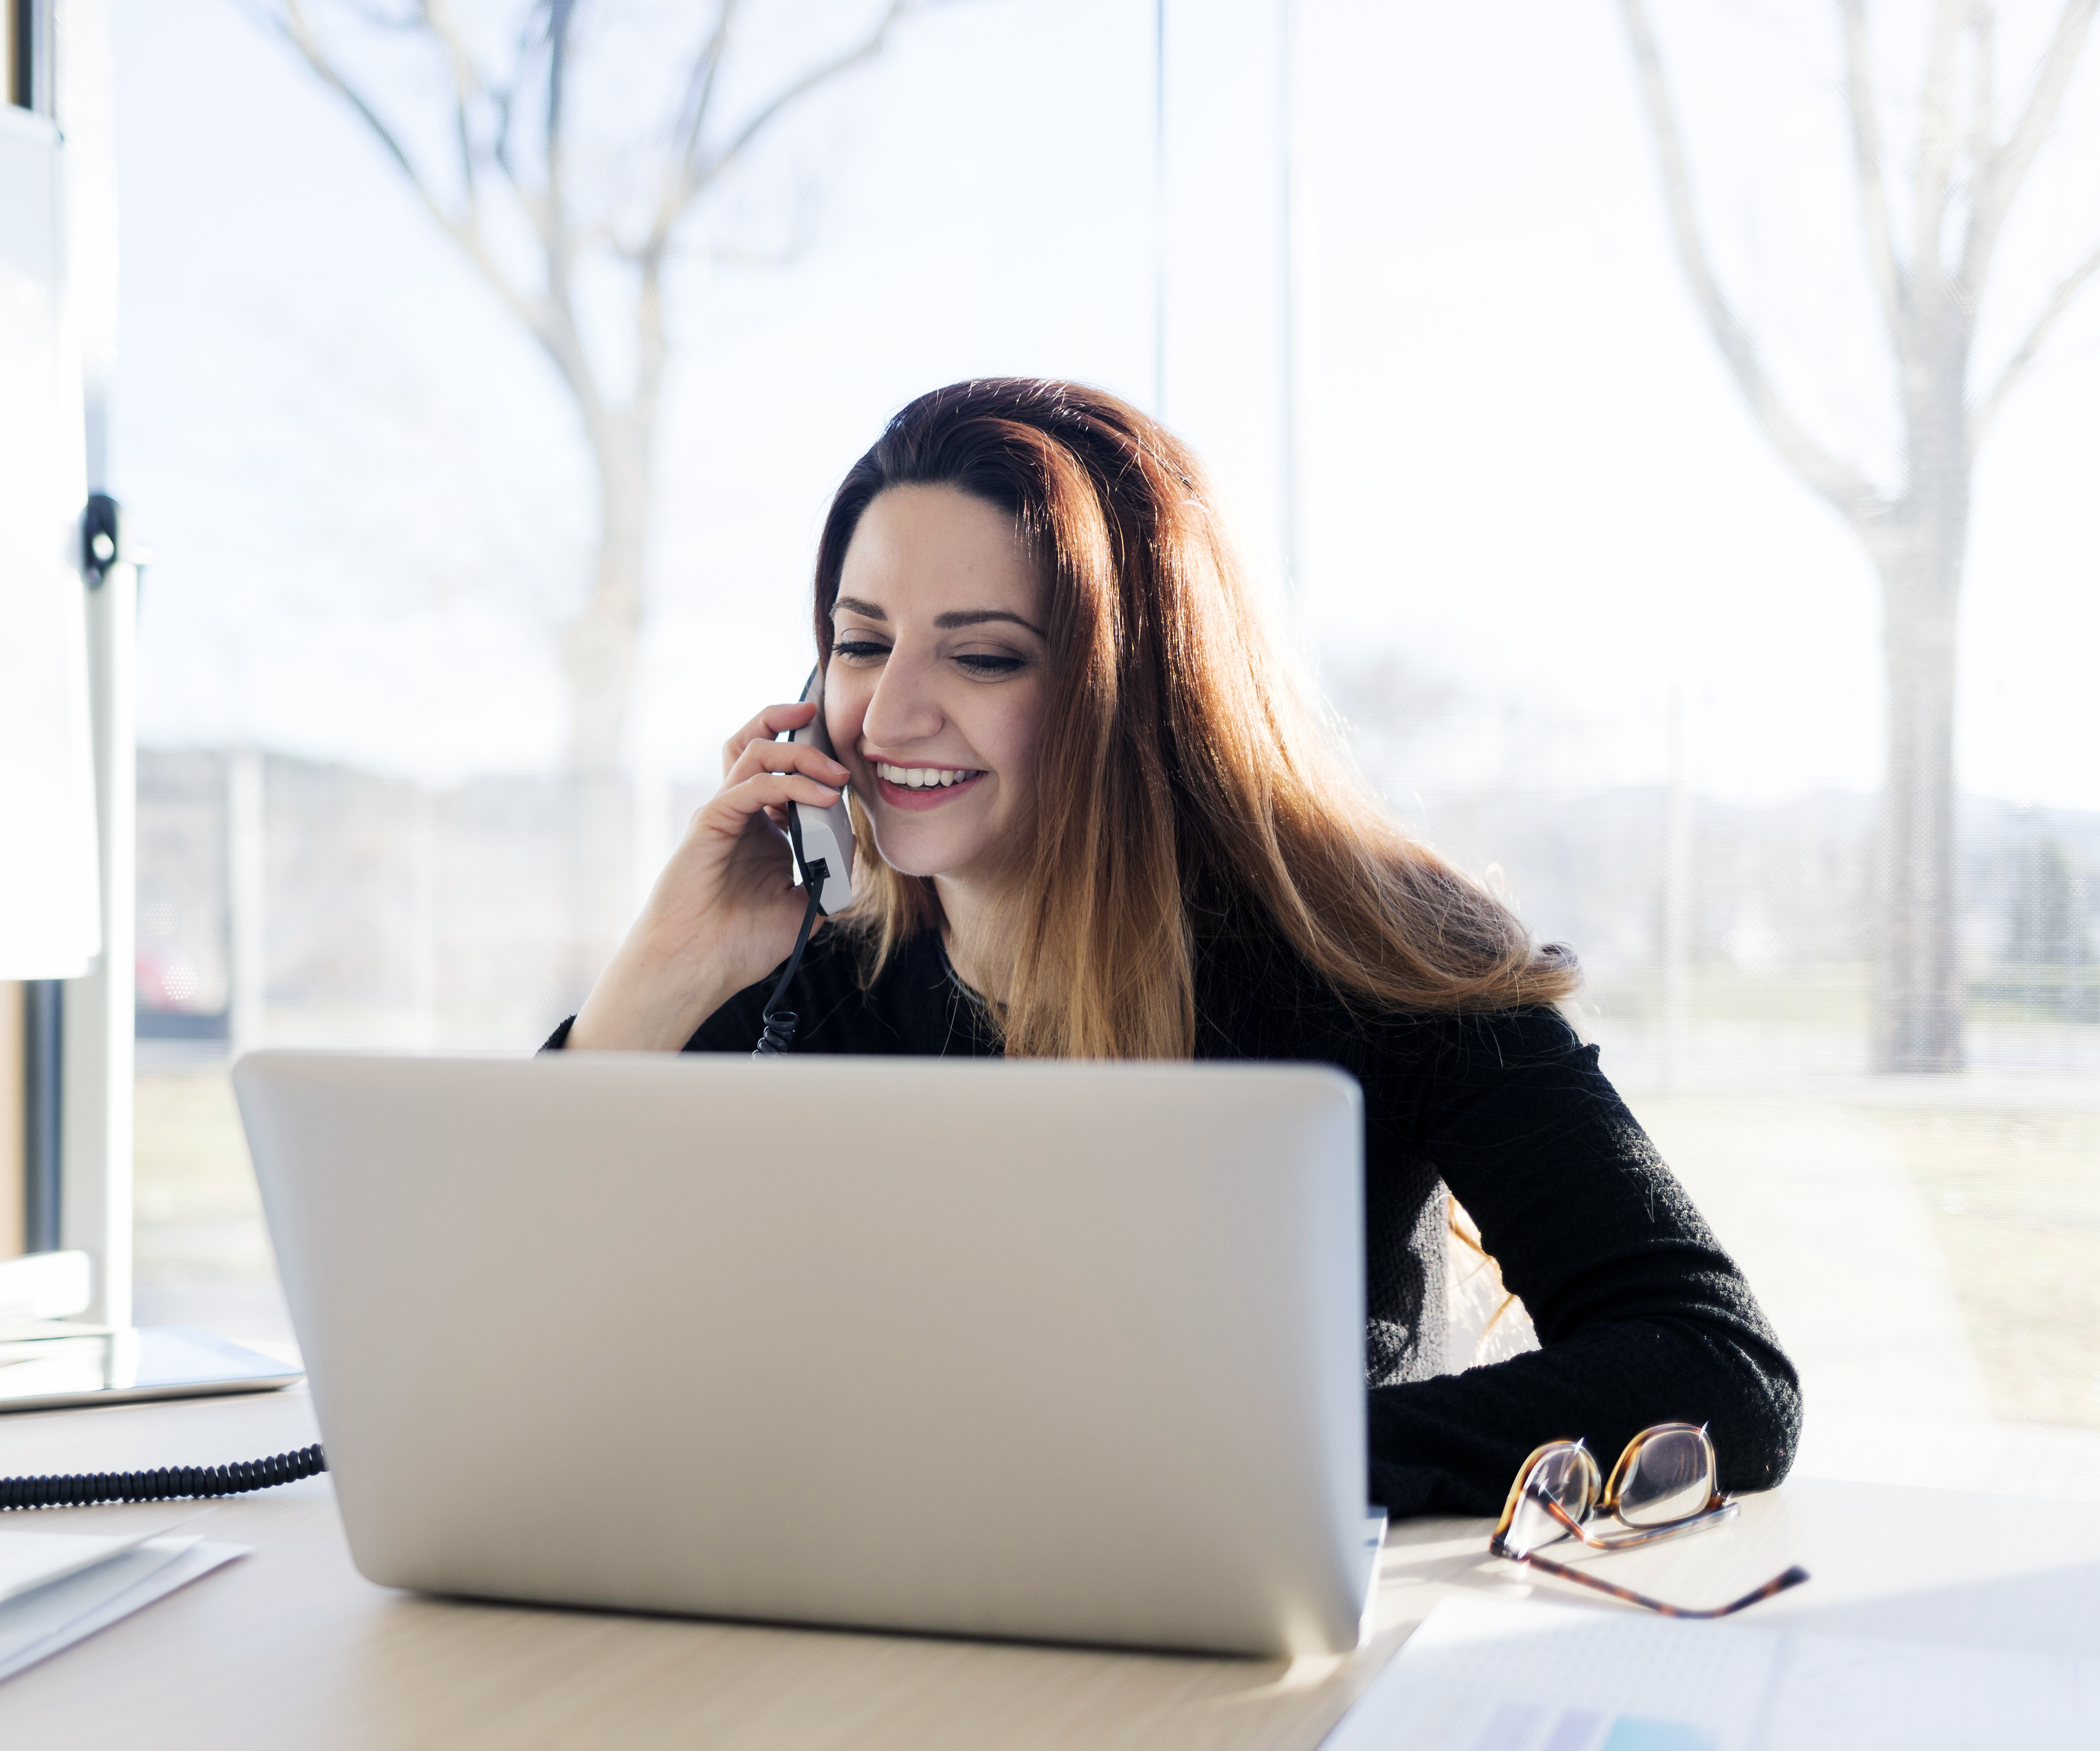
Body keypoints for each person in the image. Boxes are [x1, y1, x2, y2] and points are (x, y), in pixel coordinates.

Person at [549, 378, 1799, 1520]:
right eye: (862, 641)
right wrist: (661, 972)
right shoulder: (814, 979)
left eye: (982, 655)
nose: (885, 715)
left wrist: (1231, 1469)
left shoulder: (1375, 953)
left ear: (1136, 689)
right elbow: (515, 1362)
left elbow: (1721, 1370)